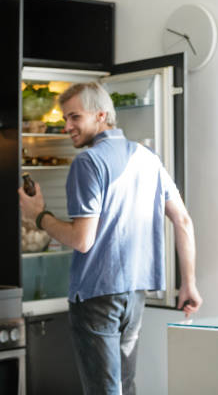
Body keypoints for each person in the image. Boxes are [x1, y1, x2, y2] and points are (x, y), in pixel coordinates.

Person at [18, 82, 202, 395]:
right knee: (124, 386)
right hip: (135, 293)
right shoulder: (147, 157)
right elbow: (183, 220)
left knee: (103, 390)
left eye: (75, 117)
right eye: (66, 118)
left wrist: (38, 215)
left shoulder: (88, 162)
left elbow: (82, 240)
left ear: (102, 115)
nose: (67, 126)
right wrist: (189, 283)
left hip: (96, 296)